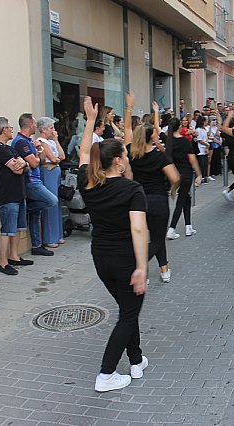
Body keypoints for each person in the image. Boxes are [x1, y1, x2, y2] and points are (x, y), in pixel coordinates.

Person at [78, 96, 149, 392]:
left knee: (126, 309)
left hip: (101, 257)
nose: (127, 151)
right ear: (118, 160)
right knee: (128, 315)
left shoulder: (88, 181)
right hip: (125, 260)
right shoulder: (132, 189)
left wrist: (91, 119)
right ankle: (106, 374)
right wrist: (142, 267)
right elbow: (138, 229)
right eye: (124, 150)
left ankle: (136, 360)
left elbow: (85, 151)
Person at [126, 93, 180, 283]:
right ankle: (139, 266)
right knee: (157, 238)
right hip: (158, 200)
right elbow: (175, 177)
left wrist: (129, 108)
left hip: (138, 200)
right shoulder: (160, 157)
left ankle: (164, 269)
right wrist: (172, 190)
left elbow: (126, 129)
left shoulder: (131, 153)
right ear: (151, 138)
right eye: (155, 134)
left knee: (149, 236)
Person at [0, 117, 33, 276]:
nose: (11, 130)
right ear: (3, 130)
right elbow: (18, 169)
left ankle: (14, 256)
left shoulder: (9, 148)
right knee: (7, 229)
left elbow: (25, 166)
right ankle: (3, 262)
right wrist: (23, 165)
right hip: (6, 196)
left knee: (18, 228)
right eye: (10, 128)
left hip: (18, 193)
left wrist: (23, 164)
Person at [12, 113, 58, 256]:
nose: (36, 126)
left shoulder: (29, 141)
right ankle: (27, 209)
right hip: (30, 182)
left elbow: (42, 161)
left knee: (36, 215)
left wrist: (39, 150)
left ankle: (36, 245)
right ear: (30, 125)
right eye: (34, 123)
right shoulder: (21, 142)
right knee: (52, 201)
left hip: (35, 179)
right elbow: (34, 163)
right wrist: (37, 157)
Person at [165, 118, 202, 239]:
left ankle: (188, 226)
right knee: (181, 200)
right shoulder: (185, 142)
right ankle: (172, 228)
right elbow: (192, 159)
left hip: (174, 173)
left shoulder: (169, 141)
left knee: (186, 198)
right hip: (185, 173)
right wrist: (199, 174)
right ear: (180, 127)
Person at [36, 117, 66, 248]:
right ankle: (50, 237)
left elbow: (62, 156)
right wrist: (56, 160)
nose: (54, 130)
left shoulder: (51, 142)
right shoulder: (41, 142)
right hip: (48, 171)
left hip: (55, 171)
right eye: (51, 128)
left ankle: (58, 234)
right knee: (51, 202)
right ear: (44, 129)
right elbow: (54, 159)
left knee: (57, 202)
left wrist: (56, 140)